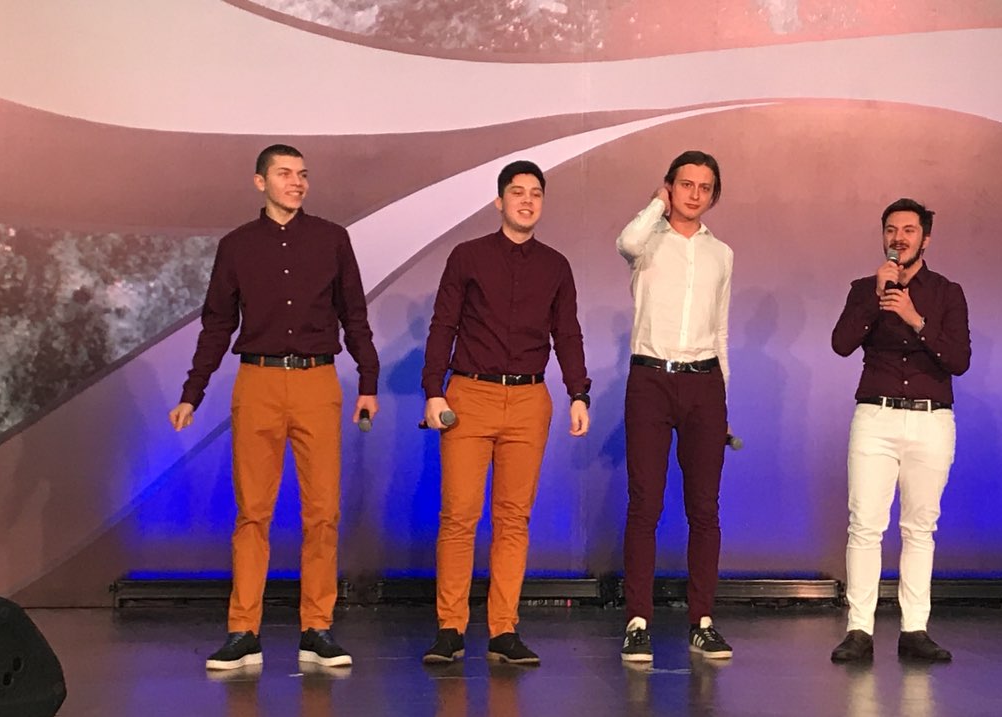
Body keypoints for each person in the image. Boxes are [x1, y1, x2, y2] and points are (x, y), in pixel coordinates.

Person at [168, 144, 380, 671]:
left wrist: (368, 381)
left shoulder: (332, 239)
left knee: (322, 512)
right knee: (253, 513)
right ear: (260, 182)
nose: (296, 182)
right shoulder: (237, 246)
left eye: (302, 174)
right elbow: (218, 323)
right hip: (258, 381)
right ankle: (243, 631)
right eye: (284, 174)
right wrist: (193, 391)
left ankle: (317, 629)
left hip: (317, 381)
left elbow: (354, 314)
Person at [419, 160, 591, 666]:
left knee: (514, 518)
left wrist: (578, 392)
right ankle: (450, 628)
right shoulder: (467, 256)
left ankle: (503, 630)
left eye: (536, 193)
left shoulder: (556, 266)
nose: (527, 200)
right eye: (517, 192)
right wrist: (433, 391)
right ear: (499, 201)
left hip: (529, 399)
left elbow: (568, 332)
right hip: (469, 396)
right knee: (459, 516)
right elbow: (443, 325)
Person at [829, 197, 970, 663]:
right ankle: (859, 629)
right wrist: (876, 298)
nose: (898, 238)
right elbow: (841, 344)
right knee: (865, 525)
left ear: (925, 239)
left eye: (909, 230)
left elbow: (959, 360)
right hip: (876, 417)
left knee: (920, 528)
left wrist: (914, 319)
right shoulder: (864, 289)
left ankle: (914, 629)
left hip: (931, 419)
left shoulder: (947, 293)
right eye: (891, 230)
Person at [615, 150, 735, 663]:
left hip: (704, 382)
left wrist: (723, 396)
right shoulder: (647, 240)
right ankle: (637, 622)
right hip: (651, 377)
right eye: (685, 184)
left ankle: (702, 621)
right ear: (669, 186)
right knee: (645, 503)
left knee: (704, 508)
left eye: (705, 187)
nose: (694, 194)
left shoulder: (721, 254)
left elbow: (720, 329)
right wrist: (655, 206)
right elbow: (625, 242)